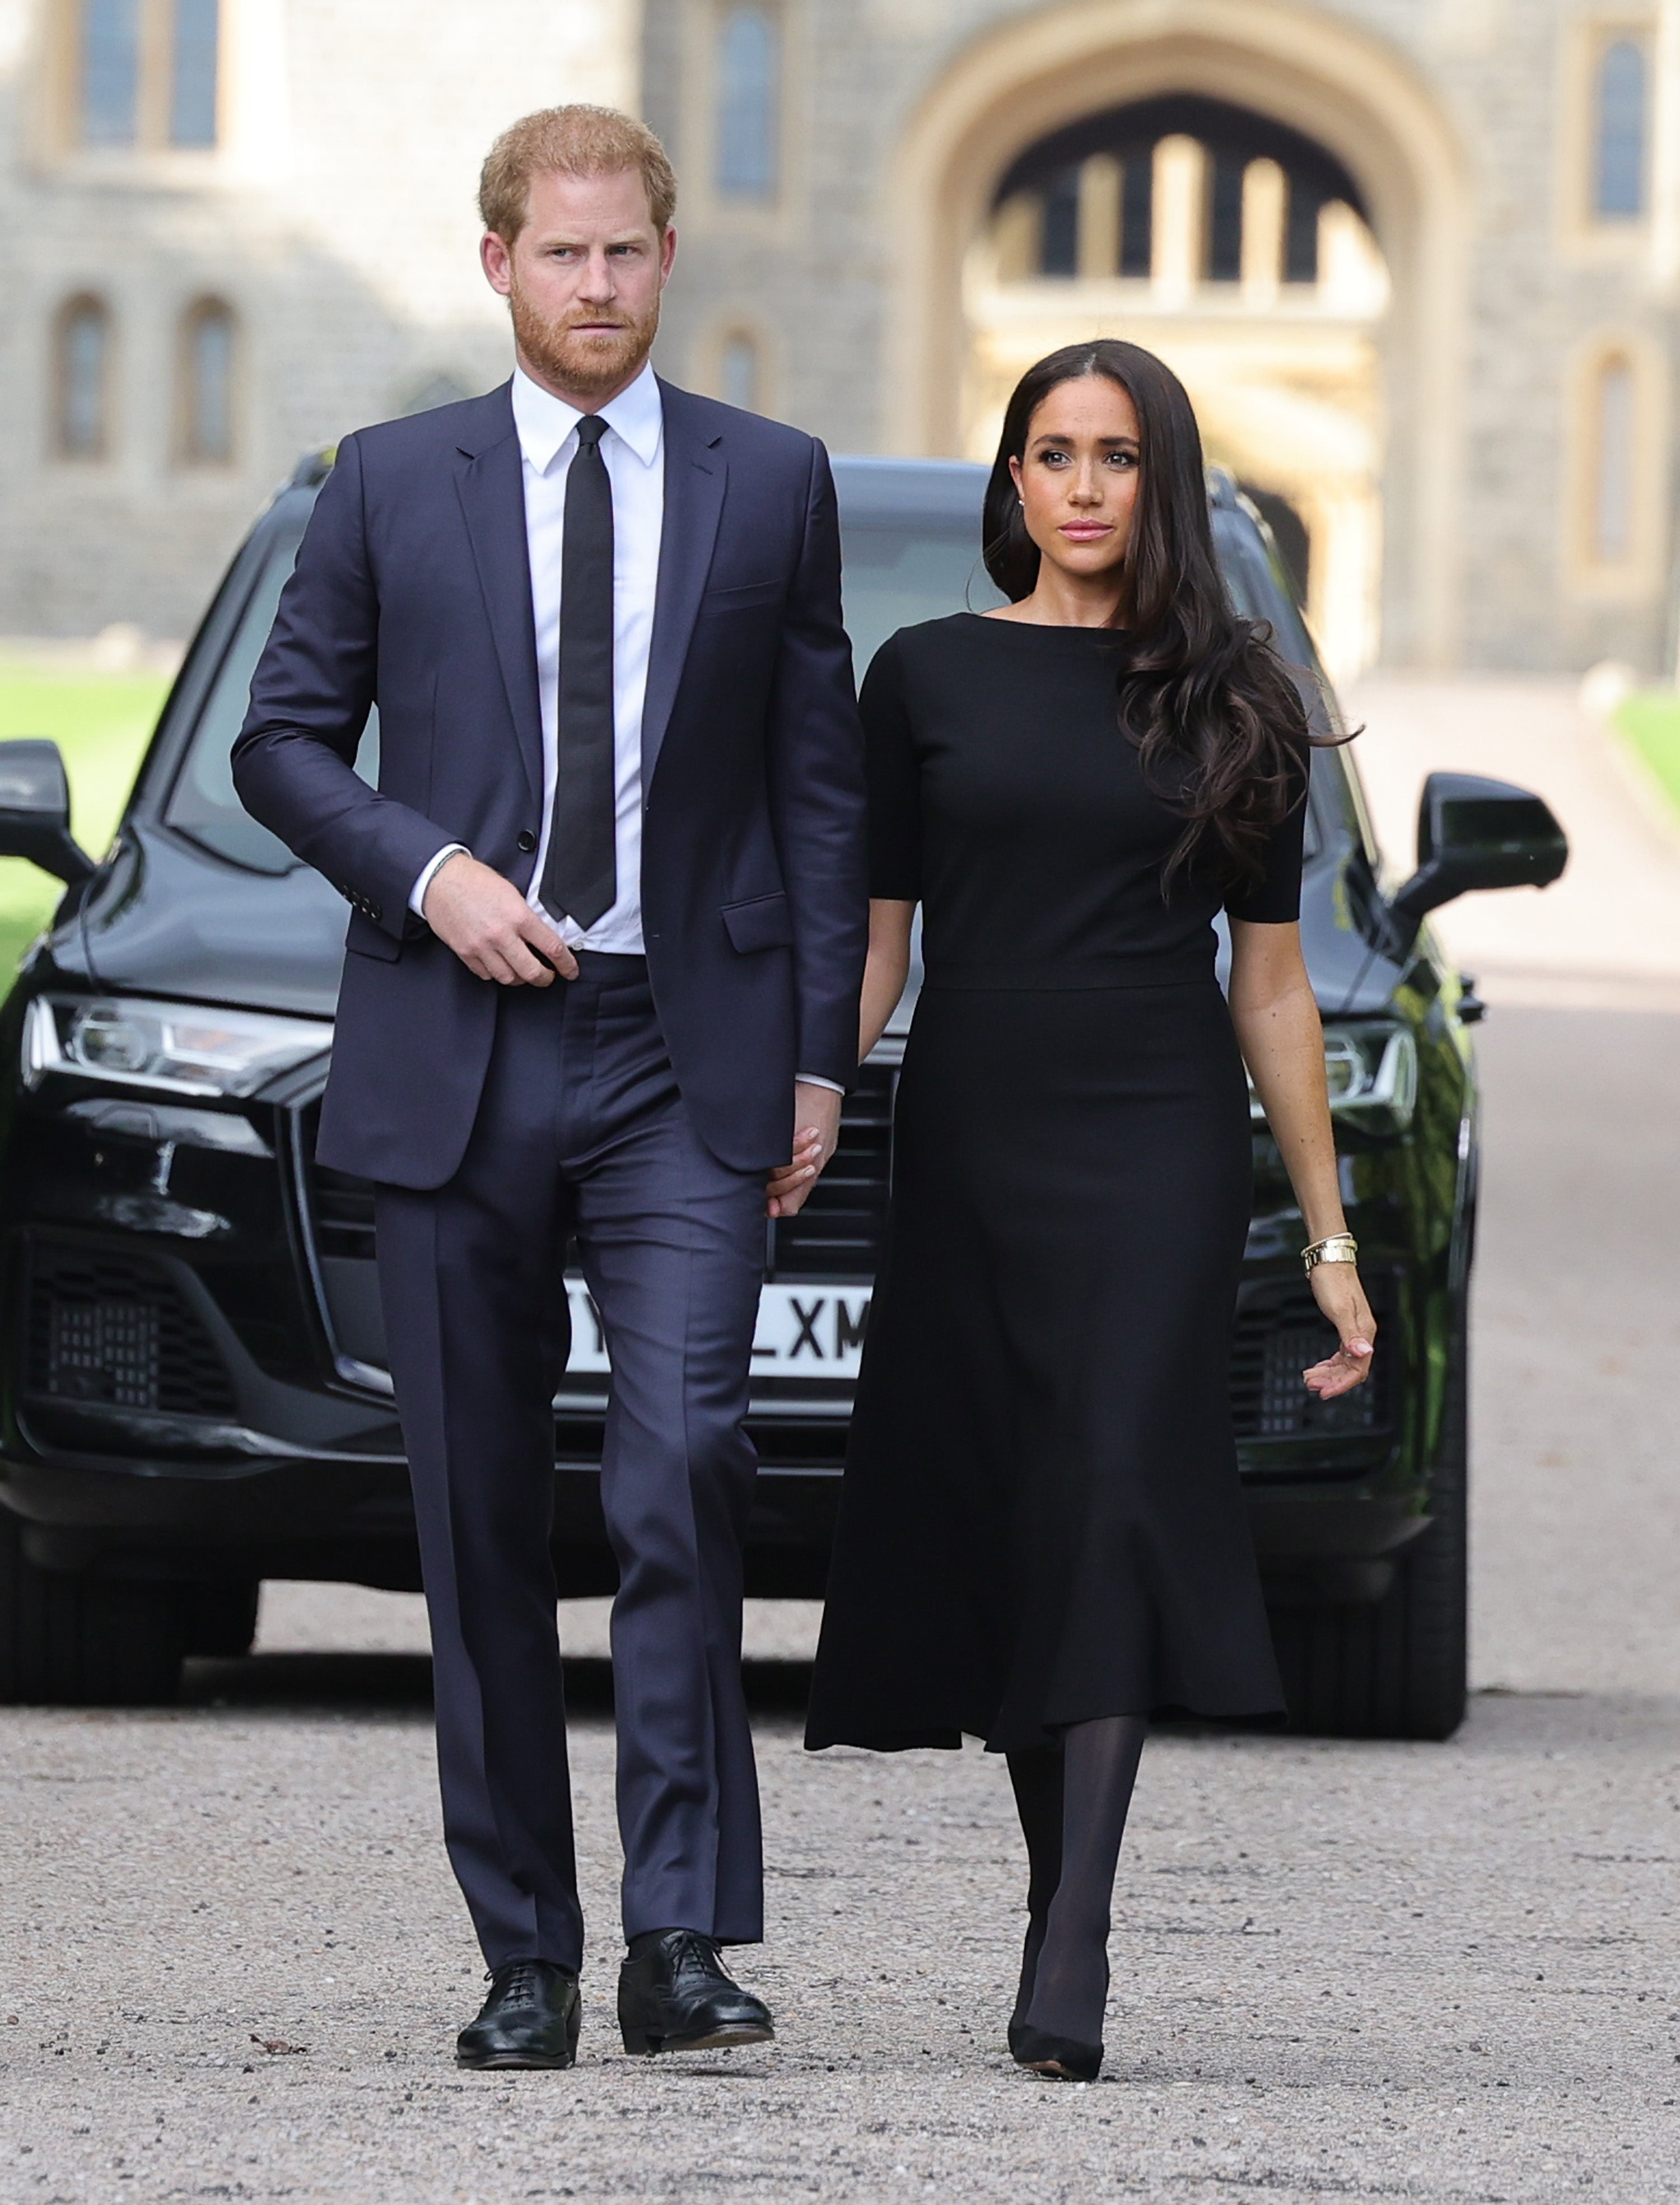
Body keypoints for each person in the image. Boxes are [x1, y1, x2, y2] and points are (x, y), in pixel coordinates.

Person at [234, 106, 866, 2071]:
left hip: (685, 1048)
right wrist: (429, 873)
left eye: (627, 253)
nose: (597, 287)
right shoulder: (383, 482)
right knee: (479, 1511)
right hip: (457, 1043)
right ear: (496, 261)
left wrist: (824, 1051)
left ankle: (681, 1940)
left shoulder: (773, 483)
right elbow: (280, 741)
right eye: (562, 253)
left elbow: (817, 786)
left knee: (683, 1462)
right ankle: (526, 1947)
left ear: (671, 260)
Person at [804, 340, 1376, 2083]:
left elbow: (1271, 989)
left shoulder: (1237, 697)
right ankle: (1065, 1895)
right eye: (1050, 452)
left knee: (1121, 1485)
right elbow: (879, 942)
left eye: (1115, 457)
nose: (1079, 485)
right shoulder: (923, 679)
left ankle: (1075, 1935)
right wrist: (807, 1101)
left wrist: (1333, 1243)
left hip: (1155, 1140)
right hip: (973, 1128)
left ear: (1161, 483)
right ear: (1013, 479)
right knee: (1018, 1510)